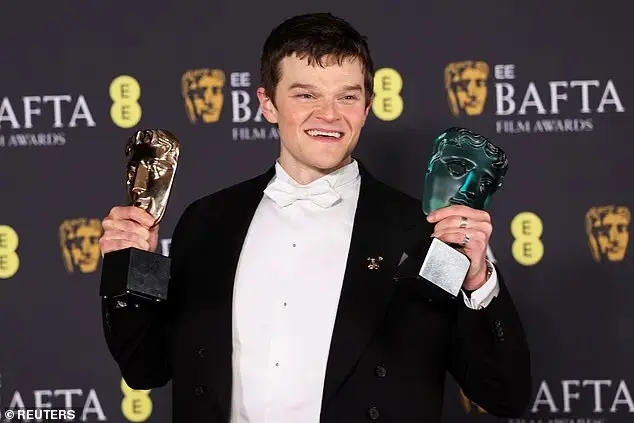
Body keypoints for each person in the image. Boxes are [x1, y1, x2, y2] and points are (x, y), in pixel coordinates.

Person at [99, 12, 531, 423]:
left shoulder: (423, 230)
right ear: (268, 104)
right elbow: (145, 369)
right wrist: (131, 265)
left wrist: (478, 281)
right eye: (306, 95)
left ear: (367, 107)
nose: (329, 115)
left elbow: (503, 395)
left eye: (347, 96)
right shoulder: (207, 221)